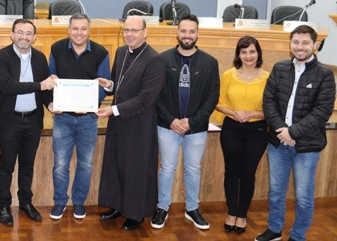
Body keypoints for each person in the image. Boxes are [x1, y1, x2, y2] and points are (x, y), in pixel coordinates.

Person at [255, 25, 336, 241]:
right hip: (278, 142)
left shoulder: (325, 75)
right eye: (296, 42)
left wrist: (292, 132)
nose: (300, 47)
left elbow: (322, 111)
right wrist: (282, 131)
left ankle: (298, 236)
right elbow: (268, 100)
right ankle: (274, 230)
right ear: (290, 44)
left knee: (303, 196)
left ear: (315, 45)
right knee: (275, 191)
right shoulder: (279, 68)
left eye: (305, 43)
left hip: (307, 146)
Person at [95, 16, 165, 231]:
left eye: (135, 30)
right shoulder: (121, 52)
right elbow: (120, 84)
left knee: (135, 169)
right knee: (117, 164)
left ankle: (135, 214)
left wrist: (113, 110)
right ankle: (118, 205)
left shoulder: (154, 59)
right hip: (120, 121)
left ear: (145, 32)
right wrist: (109, 85)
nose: (130, 34)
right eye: (126, 30)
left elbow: (146, 98)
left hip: (139, 125)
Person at [153, 14, 219, 230]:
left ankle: (192, 209)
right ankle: (162, 208)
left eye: (192, 31)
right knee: (167, 169)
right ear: (177, 33)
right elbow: (156, 95)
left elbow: (212, 97)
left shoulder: (210, 62)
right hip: (167, 127)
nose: (187, 35)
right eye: (184, 31)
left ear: (198, 33)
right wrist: (171, 120)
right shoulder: (162, 60)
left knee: (193, 169)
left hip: (196, 129)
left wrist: (193, 121)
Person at [0, 19, 56, 227]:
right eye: (20, 32)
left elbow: (44, 90)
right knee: (7, 166)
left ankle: (26, 203)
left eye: (28, 33)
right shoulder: (1, 56)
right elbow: (8, 86)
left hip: (33, 121)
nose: (24, 36)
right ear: (12, 34)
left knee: (27, 166)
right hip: (10, 121)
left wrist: (51, 104)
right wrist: (40, 84)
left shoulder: (39, 57)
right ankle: (3, 206)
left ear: (34, 37)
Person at [48, 13, 110, 220]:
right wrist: (53, 101)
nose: (79, 33)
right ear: (68, 30)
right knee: (60, 163)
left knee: (85, 164)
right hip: (62, 118)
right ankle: (59, 202)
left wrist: (90, 105)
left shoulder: (101, 52)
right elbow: (51, 79)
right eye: (75, 28)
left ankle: (79, 202)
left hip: (88, 119)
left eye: (83, 29)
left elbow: (104, 85)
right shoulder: (56, 49)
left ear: (89, 31)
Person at [214, 36, 269, 234]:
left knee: (248, 173)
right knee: (231, 171)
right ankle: (231, 213)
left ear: (258, 53)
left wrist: (251, 114)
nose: (248, 56)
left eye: (252, 51)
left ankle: (242, 214)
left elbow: (272, 110)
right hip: (232, 128)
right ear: (238, 54)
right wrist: (234, 112)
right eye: (243, 52)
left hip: (258, 131)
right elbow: (219, 102)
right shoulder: (228, 75)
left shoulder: (268, 77)